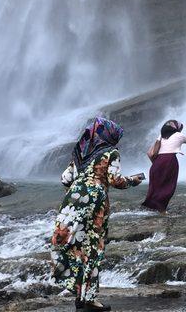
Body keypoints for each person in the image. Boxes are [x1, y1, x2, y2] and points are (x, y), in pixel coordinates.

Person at [51, 117, 142, 312]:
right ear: (109, 134)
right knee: (93, 246)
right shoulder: (111, 152)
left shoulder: (80, 152)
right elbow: (115, 180)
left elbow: (65, 179)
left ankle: (78, 294)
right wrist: (134, 180)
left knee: (73, 243)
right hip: (95, 200)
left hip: (73, 198)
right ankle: (90, 298)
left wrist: (82, 182)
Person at [142, 120, 186, 213]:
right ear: (177, 128)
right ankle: (161, 209)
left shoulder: (161, 136)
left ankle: (150, 206)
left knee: (156, 185)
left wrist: (156, 164)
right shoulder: (179, 135)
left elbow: (150, 153)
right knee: (169, 185)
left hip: (157, 161)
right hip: (169, 160)